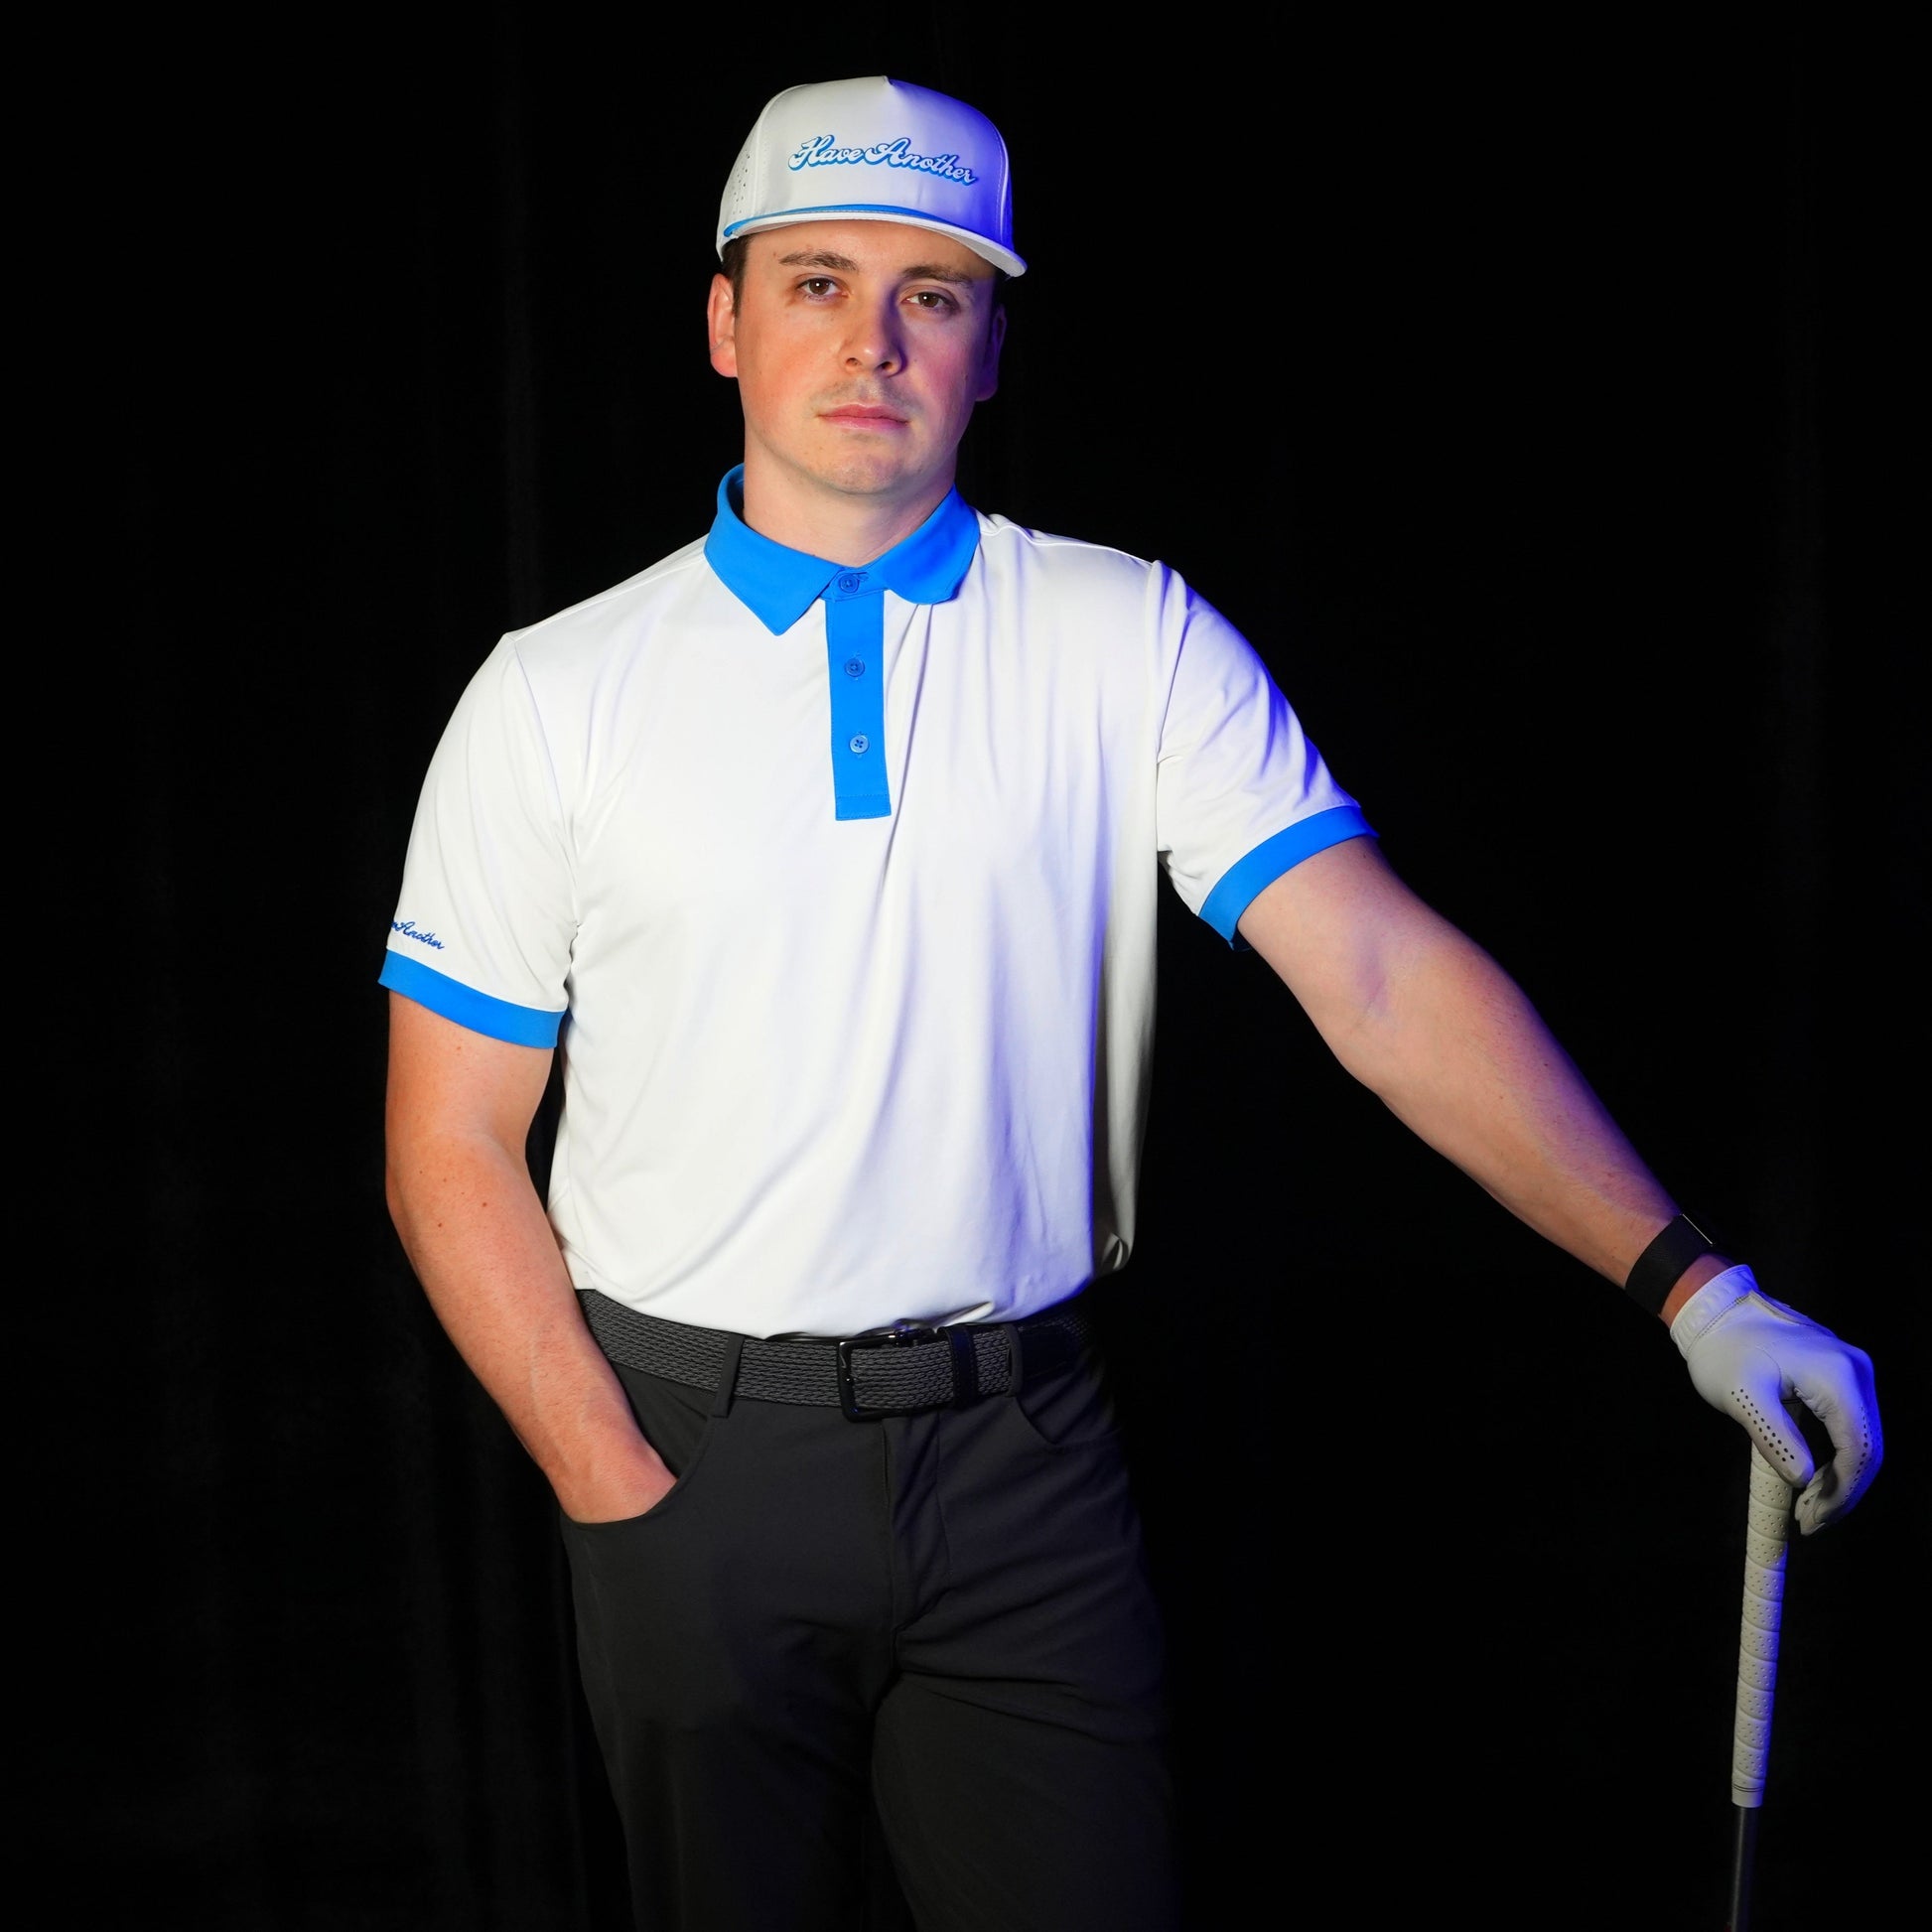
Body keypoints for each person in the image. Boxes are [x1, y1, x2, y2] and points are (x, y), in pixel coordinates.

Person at [380, 75, 1882, 1932]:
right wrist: (611, 1481)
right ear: (725, 320)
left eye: (932, 294)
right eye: (816, 281)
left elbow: (1377, 969)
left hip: (1022, 1465)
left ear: (991, 345)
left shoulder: (1125, 633)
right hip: (689, 1447)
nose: (871, 339)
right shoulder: (553, 693)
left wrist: (1694, 1286)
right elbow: (449, 1141)